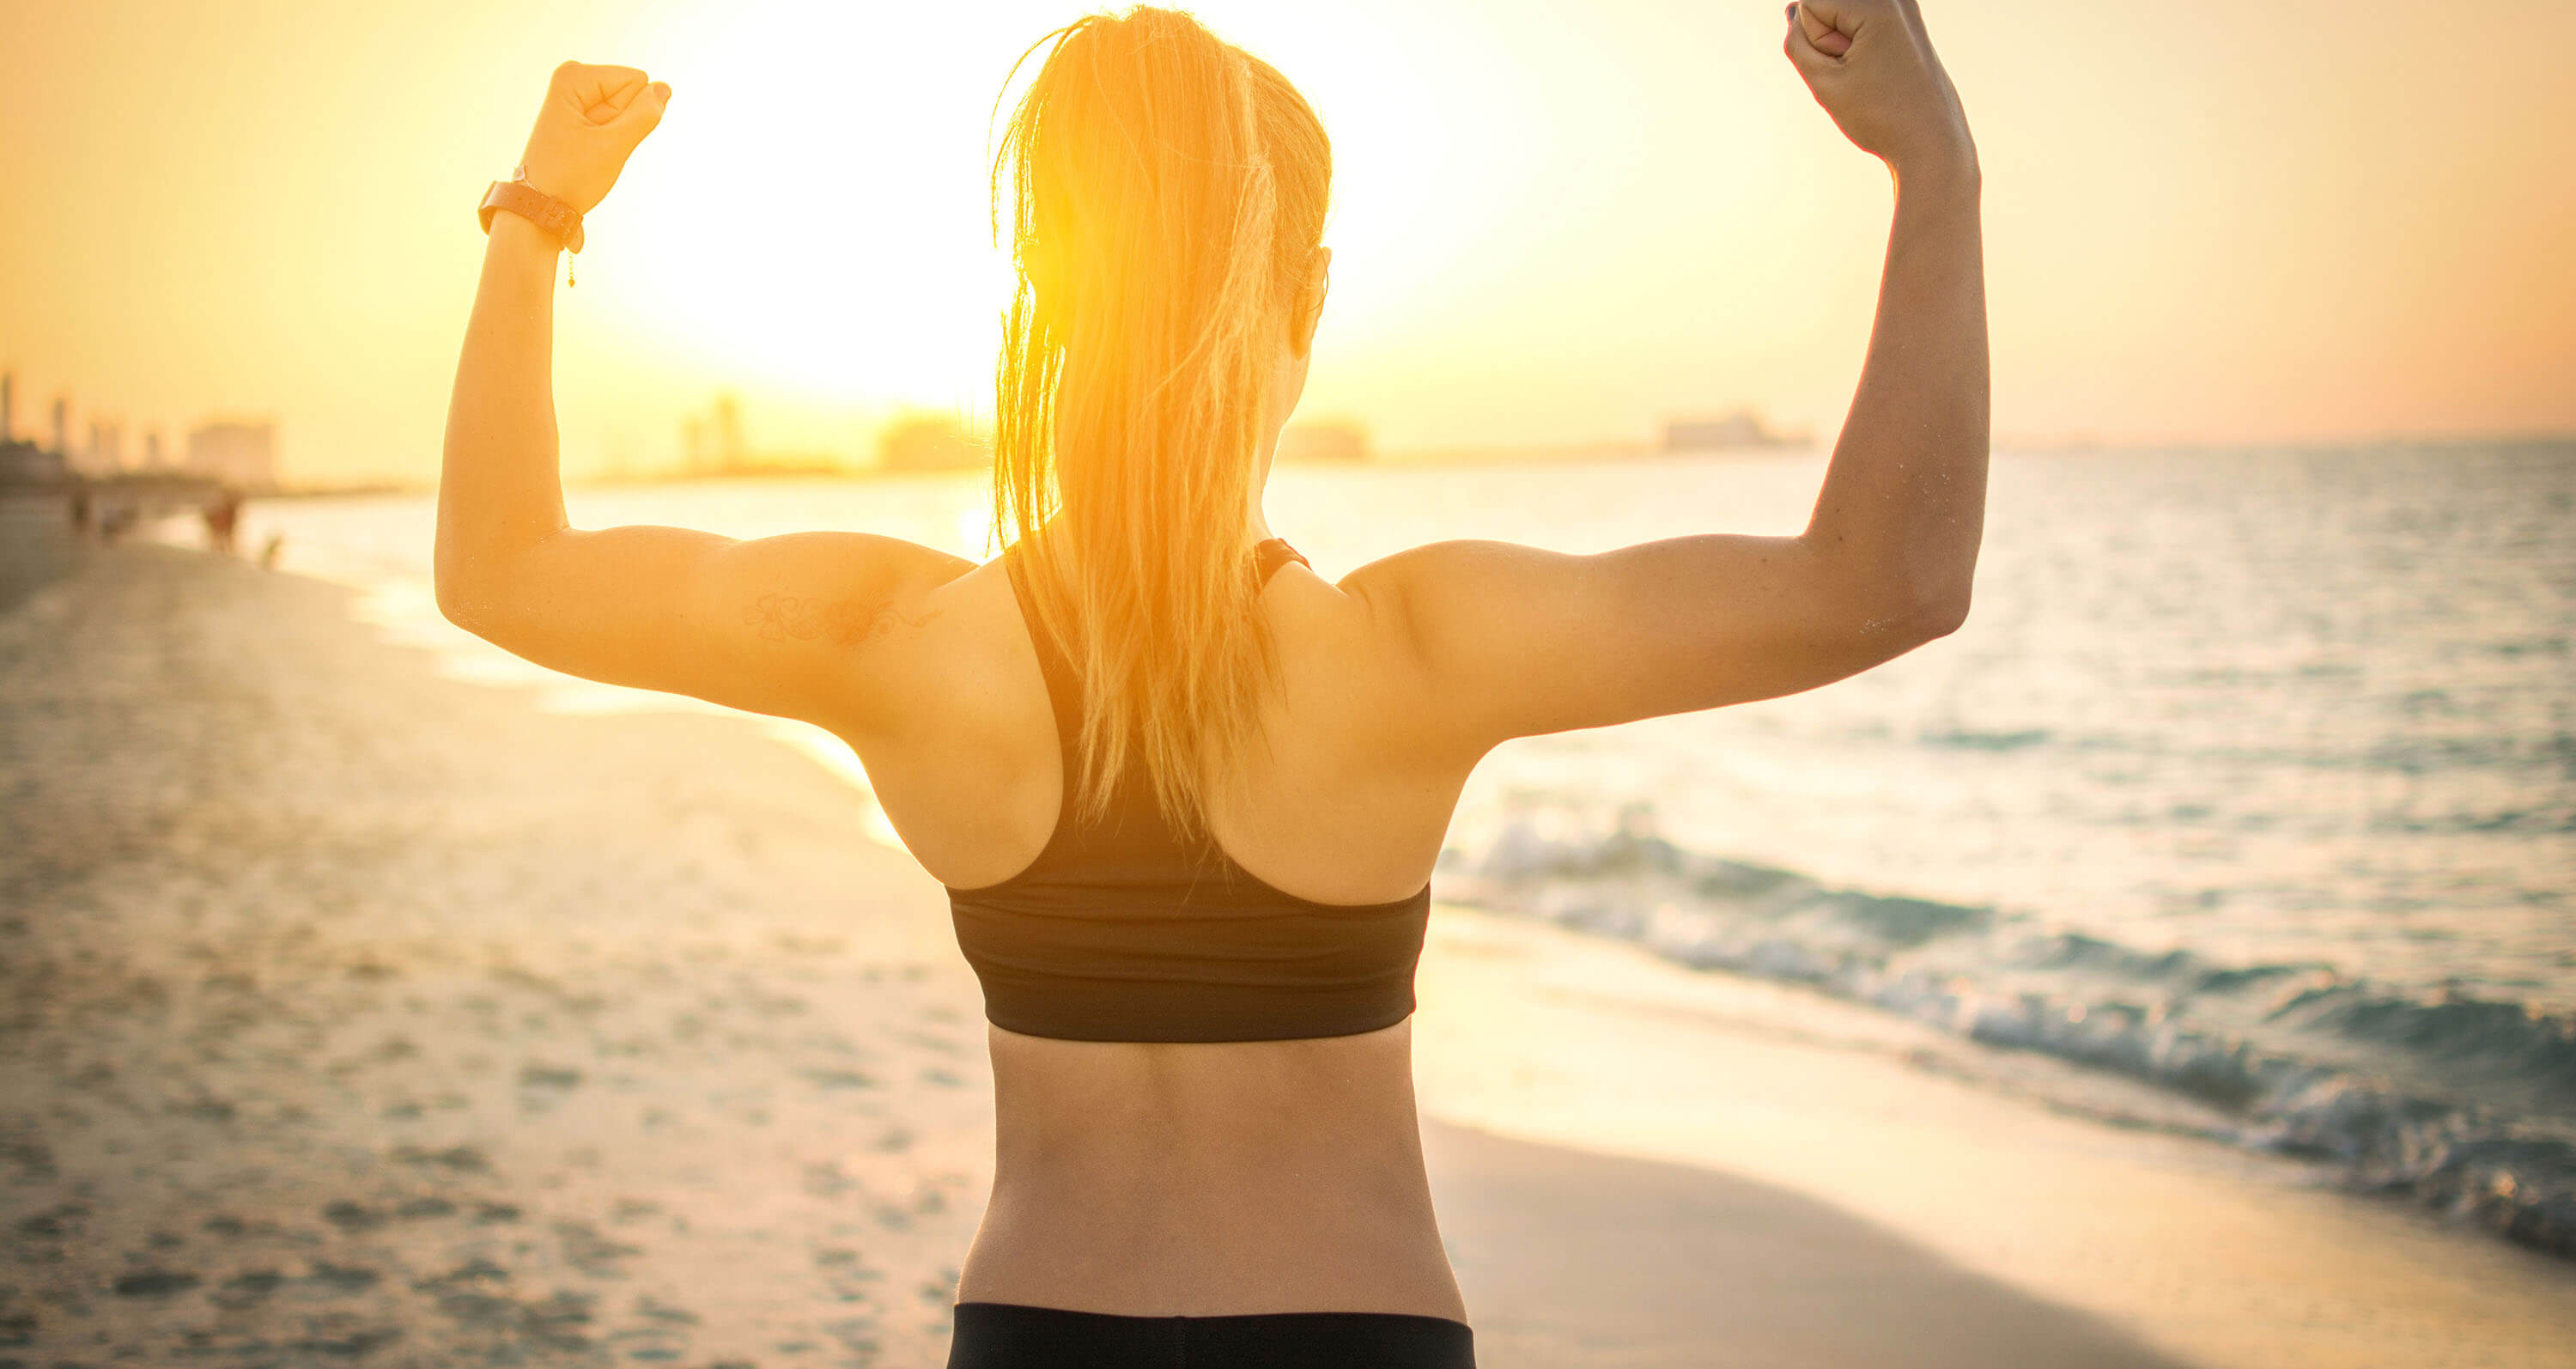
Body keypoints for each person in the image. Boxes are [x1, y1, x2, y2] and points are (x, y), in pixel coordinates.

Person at [435, 3, 1984, 1364]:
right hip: (1355, 1331)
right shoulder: (1416, 652)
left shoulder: (897, 641)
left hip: (1037, 1330)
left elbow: (501, 566)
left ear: (1043, 285)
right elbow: (1885, 581)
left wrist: (540, 208)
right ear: (1303, 297)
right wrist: (1934, 167)